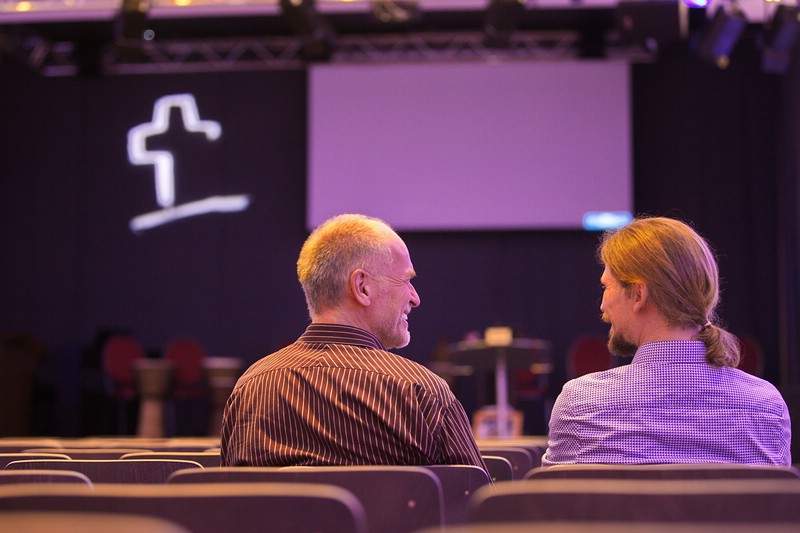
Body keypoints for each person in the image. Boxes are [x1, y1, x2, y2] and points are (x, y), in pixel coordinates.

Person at [221, 213, 487, 472]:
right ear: (362, 287)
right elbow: (477, 500)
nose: (415, 298)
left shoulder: (249, 390)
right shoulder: (423, 395)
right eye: (406, 280)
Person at [542, 216, 791, 466]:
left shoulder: (579, 405)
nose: (602, 306)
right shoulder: (766, 407)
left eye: (606, 287)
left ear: (638, 294)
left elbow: (554, 492)